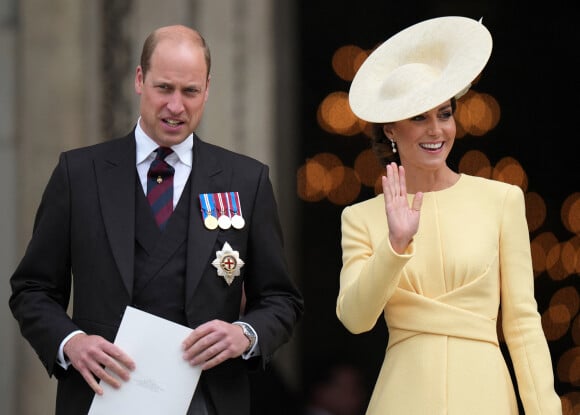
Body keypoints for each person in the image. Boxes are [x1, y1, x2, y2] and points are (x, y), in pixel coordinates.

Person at [9, 24, 303, 415]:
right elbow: (32, 288)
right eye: (164, 88)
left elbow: (281, 299)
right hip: (102, 395)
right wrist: (71, 342)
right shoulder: (79, 175)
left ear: (208, 89)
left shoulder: (246, 181)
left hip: (208, 399)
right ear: (139, 79)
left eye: (190, 91)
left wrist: (244, 334)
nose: (176, 106)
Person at [336, 16, 562, 415]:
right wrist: (395, 244)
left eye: (444, 113)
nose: (436, 130)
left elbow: (523, 326)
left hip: (487, 397)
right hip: (402, 399)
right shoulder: (361, 218)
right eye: (419, 117)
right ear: (390, 129)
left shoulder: (502, 200)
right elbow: (355, 319)